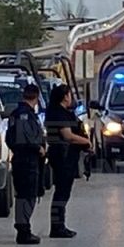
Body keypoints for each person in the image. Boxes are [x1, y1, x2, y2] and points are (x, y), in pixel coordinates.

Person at [44, 84, 92, 238]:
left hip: (64, 156)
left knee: (63, 192)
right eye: (70, 95)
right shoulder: (59, 114)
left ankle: (59, 225)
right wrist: (86, 142)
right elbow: (68, 136)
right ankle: (57, 227)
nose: (71, 98)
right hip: (63, 156)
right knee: (62, 192)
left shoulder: (59, 112)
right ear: (65, 96)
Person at [5, 83, 46, 245]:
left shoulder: (15, 113)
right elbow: (24, 138)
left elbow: (10, 138)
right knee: (27, 195)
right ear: (36, 97)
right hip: (28, 159)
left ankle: (24, 227)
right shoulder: (25, 115)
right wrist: (38, 148)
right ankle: (23, 230)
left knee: (25, 194)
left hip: (21, 158)